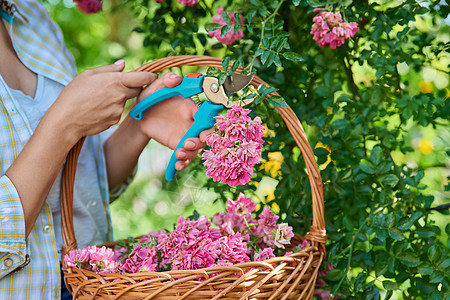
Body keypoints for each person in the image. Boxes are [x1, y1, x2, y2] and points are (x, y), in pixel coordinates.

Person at [0, 1, 209, 299]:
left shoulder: (31, 17)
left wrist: (139, 124)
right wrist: (63, 124)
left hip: (91, 283)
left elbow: (82, 188)